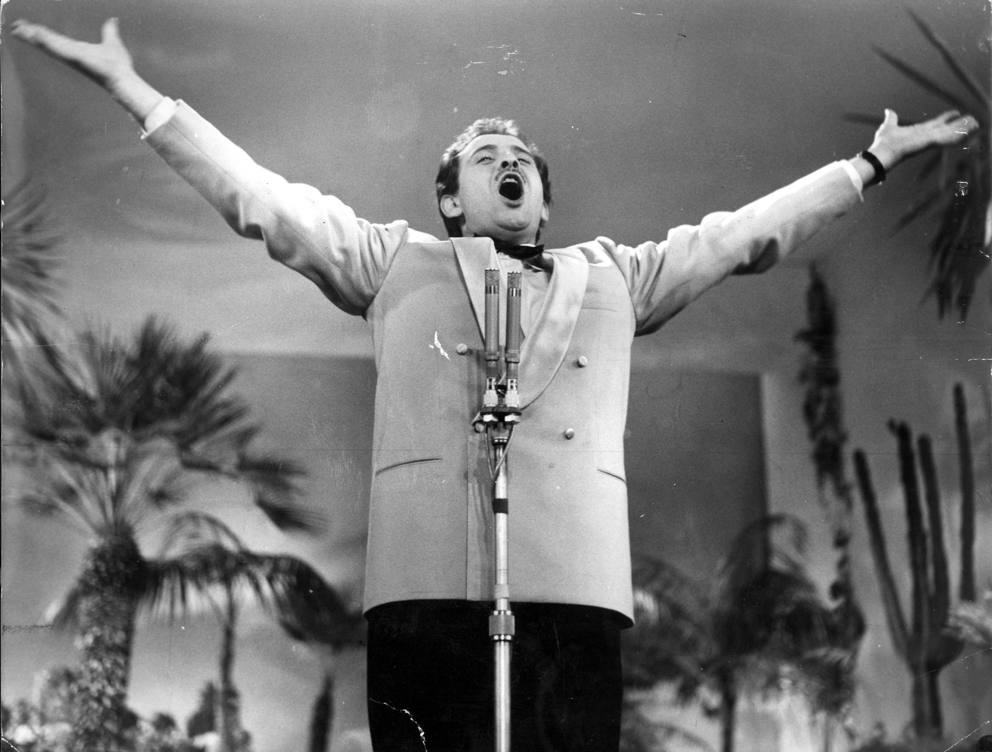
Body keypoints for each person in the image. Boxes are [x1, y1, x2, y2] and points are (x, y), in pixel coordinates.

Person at [11, 16, 976, 752]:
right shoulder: (394, 262)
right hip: (425, 586)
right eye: (486, 158)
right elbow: (263, 200)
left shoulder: (615, 276)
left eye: (523, 161)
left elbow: (739, 236)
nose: (509, 163)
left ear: (542, 200)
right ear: (450, 197)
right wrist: (139, 93)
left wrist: (868, 164)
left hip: (573, 587)